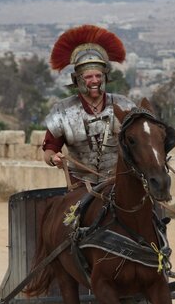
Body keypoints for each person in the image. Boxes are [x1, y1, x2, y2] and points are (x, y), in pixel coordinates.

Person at [42, 24, 136, 185]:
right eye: (88, 77)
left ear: (105, 77)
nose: (94, 81)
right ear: (77, 79)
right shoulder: (63, 111)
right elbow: (50, 148)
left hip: (121, 184)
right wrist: (53, 158)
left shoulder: (125, 105)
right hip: (80, 185)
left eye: (98, 76)